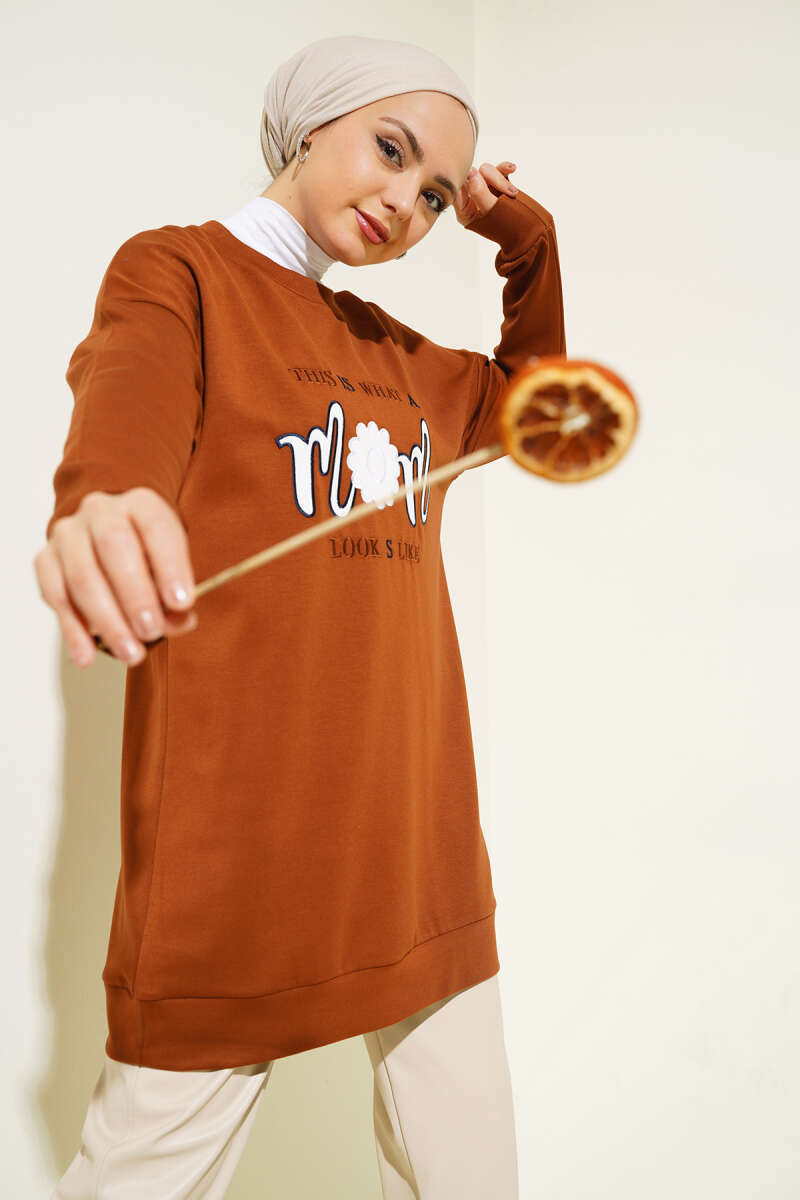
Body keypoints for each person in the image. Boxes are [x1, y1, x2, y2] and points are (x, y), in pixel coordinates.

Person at [36, 32, 566, 1200]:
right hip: (239, 847)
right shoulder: (177, 272)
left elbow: (544, 409)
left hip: (415, 838)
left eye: (436, 195)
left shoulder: (400, 357)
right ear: (310, 125)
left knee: (473, 1178)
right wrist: (104, 500)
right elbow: (124, 395)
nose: (406, 202)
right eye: (391, 150)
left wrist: (523, 243)